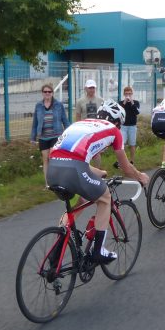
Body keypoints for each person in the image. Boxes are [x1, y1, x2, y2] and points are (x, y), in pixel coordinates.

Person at [47, 100, 149, 263]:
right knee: (105, 198)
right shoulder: (113, 130)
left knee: (78, 204)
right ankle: (98, 251)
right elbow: (126, 168)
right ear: (117, 122)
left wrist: (99, 172)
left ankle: (56, 252)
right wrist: (140, 176)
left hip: (52, 168)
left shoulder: (82, 123)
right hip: (74, 169)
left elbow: (71, 157)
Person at [31, 84, 70, 184]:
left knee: (52, 157)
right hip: (43, 137)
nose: (47, 93)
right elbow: (35, 123)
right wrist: (33, 138)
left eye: (49, 91)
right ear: (42, 93)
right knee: (45, 160)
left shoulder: (58, 105)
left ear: (52, 93)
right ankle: (47, 183)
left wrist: (69, 133)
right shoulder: (38, 106)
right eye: (45, 92)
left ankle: (57, 180)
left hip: (56, 135)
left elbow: (65, 120)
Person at [75, 79, 104, 167]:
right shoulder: (80, 101)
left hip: (97, 129)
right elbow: (78, 116)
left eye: (93, 88)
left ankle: (97, 170)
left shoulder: (101, 100)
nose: (91, 90)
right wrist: (78, 129)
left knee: (97, 151)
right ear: (86, 89)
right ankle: (86, 169)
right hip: (85, 130)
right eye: (90, 88)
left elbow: (103, 115)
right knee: (85, 151)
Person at [118, 86, 140, 163]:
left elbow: (137, 112)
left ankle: (132, 161)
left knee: (132, 144)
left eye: (129, 94)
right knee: (122, 144)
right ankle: (122, 161)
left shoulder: (136, 102)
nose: (128, 95)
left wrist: (132, 102)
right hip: (123, 126)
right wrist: (124, 102)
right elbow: (119, 113)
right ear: (124, 94)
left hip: (132, 126)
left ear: (132, 94)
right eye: (126, 94)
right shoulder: (120, 103)